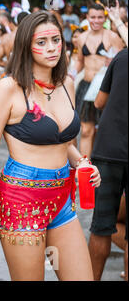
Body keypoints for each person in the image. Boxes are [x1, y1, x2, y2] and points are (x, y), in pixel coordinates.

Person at [0, 11, 101, 281]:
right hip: (21, 201)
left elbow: (62, 141)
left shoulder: (68, 84)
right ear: (25, 45)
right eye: (41, 42)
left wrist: (82, 162)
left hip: (62, 199)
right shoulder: (9, 89)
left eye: (56, 40)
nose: (51, 48)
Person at [88, 48, 128, 281]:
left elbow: (100, 101)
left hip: (109, 149)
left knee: (101, 225)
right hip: (113, 150)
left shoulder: (122, 56)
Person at [75, 3, 124, 159]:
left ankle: (99, 166)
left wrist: (113, 61)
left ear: (105, 18)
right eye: (92, 17)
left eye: (99, 17)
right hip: (86, 86)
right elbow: (79, 62)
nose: (96, 20)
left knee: (102, 129)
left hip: (105, 88)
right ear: (87, 17)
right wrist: (70, 74)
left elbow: (123, 61)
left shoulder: (113, 37)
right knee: (86, 130)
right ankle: (84, 167)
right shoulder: (81, 38)